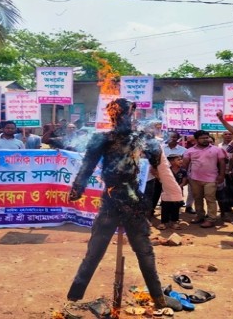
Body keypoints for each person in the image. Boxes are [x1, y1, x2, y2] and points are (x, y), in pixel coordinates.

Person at [66, 98, 182, 311]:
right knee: (95, 251)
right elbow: (87, 166)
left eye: (129, 113)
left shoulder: (143, 138)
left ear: (134, 115)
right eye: (121, 113)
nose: (125, 117)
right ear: (112, 115)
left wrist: (173, 191)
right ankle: (74, 296)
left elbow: (160, 163)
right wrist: (76, 190)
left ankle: (158, 299)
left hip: (133, 201)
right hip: (111, 200)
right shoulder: (102, 138)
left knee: (144, 252)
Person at [182, 130, 226, 228]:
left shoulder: (216, 149)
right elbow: (185, 165)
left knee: (210, 198)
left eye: (207, 137)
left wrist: (221, 175)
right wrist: (185, 178)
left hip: (211, 178)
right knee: (197, 198)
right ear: (196, 139)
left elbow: (222, 163)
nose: (206, 139)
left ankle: (211, 219)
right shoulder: (189, 151)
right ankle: (200, 216)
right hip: (194, 178)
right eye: (203, 138)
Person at [157, 154, 187, 230]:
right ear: (171, 162)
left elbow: (184, 181)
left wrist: (178, 187)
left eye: (181, 159)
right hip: (166, 192)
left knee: (176, 208)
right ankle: (164, 222)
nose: (181, 161)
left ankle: (174, 222)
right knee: (165, 207)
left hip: (178, 192)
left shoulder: (182, 171)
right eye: (178, 159)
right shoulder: (167, 170)